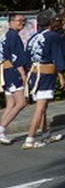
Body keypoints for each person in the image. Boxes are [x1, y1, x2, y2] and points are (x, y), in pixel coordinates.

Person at [23, 9, 65, 149]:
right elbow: (58, 58)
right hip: (45, 73)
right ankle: (30, 139)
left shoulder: (33, 37)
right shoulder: (54, 37)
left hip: (34, 73)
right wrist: (62, 75)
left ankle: (45, 133)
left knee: (43, 106)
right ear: (51, 22)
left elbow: (26, 57)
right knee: (41, 107)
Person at [0, 13, 28, 145]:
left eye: (23, 21)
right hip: (13, 70)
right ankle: (1, 128)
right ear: (11, 22)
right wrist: (22, 73)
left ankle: (1, 129)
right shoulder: (13, 36)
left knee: (10, 104)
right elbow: (15, 57)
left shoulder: (7, 35)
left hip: (6, 70)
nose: (21, 23)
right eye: (19, 20)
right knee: (21, 102)